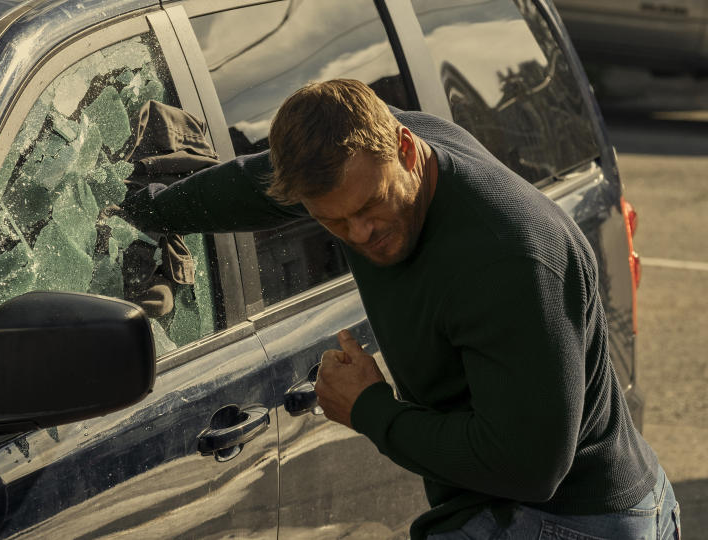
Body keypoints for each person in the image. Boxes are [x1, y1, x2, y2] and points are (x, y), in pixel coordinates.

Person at [119, 79, 680, 539]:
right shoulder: (354, 160)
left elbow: (529, 468)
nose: (361, 233)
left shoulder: (507, 257)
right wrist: (144, 211)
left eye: (371, 206)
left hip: (571, 521)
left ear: (408, 149)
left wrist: (369, 409)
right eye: (334, 222)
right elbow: (251, 186)